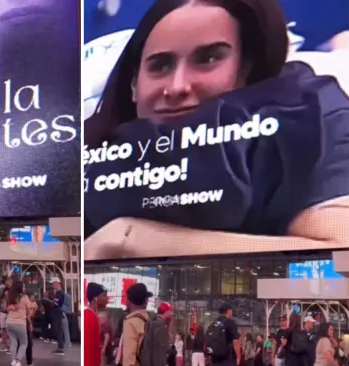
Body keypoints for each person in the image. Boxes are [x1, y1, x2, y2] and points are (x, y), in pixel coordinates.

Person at [84, 0, 349, 260]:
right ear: (133, 84)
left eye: (208, 58)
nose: (177, 87)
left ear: (250, 69)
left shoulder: (311, 115)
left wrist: (130, 238)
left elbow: (338, 255)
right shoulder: (83, 153)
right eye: (160, 65)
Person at [116, 283, 153, 366]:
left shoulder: (131, 322)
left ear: (128, 301)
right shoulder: (148, 320)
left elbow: (129, 357)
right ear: (146, 301)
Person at [6, 280, 30, 366]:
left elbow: (7, 308)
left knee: (13, 343)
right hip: (20, 323)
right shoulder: (25, 297)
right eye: (23, 286)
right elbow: (28, 310)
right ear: (20, 288)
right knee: (24, 343)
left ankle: (13, 361)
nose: (24, 288)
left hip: (9, 323)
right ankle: (17, 360)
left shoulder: (10, 296)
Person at [84, 282, 108, 366]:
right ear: (95, 298)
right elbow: (87, 349)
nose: (107, 298)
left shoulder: (93, 316)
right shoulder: (89, 317)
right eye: (104, 295)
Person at [0, 276, 11, 352]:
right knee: (5, 330)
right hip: (6, 311)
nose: (9, 282)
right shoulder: (5, 290)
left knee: (4, 330)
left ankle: (7, 346)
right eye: (9, 281)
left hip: (4, 311)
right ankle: (7, 346)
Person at [50, 277, 65, 355]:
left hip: (57, 313)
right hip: (57, 313)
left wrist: (52, 302)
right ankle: (60, 348)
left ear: (57, 283)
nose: (52, 284)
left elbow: (55, 303)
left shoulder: (59, 293)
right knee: (57, 329)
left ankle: (61, 348)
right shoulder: (59, 292)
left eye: (53, 283)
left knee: (57, 329)